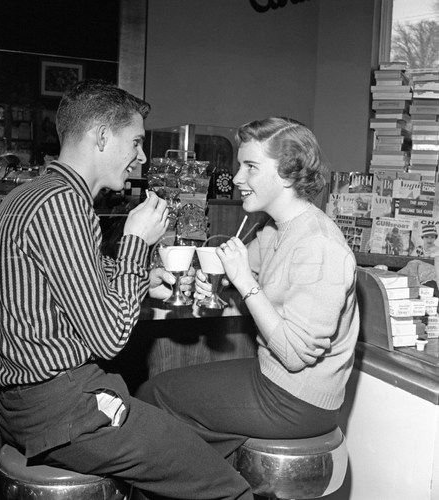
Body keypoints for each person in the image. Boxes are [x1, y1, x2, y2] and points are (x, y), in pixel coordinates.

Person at [0, 80, 253, 500]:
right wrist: (135, 242)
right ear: (102, 136)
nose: (141, 157)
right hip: (63, 410)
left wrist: (141, 278)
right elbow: (109, 338)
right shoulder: (62, 206)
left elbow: (72, 275)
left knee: (206, 441)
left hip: (28, 407)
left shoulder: (30, 194)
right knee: (229, 488)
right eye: (137, 142)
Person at [137, 117, 360, 460]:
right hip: (272, 378)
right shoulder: (274, 228)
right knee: (165, 391)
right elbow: (237, 271)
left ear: (288, 173)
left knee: (154, 396)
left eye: (251, 167)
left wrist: (244, 282)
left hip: (297, 400)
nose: (238, 178)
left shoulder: (319, 245)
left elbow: (294, 354)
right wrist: (217, 277)